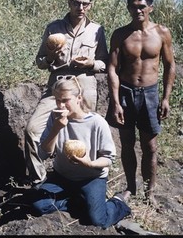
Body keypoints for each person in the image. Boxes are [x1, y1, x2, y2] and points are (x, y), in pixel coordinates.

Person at [24, 0, 108, 186]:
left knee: (86, 133)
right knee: (32, 130)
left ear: (90, 5)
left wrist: (91, 63)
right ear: (69, 2)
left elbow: (104, 63)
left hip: (85, 83)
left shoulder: (97, 30)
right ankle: (39, 180)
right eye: (77, 3)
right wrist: (51, 54)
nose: (81, 8)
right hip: (58, 83)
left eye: (85, 4)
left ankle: (88, 178)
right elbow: (40, 62)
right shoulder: (54, 28)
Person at [106, 0, 176, 206]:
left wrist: (166, 98)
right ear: (128, 8)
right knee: (127, 144)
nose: (138, 10)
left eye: (142, 6)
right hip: (126, 92)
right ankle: (130, 187)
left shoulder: (162, 33)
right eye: (134, 7)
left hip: (150, 94)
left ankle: (150, 192)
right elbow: (112, 69)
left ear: (150, 8)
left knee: (150, 146)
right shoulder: (120, 34)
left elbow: (170, 65)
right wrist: (116, 102)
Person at [32, 77, 131, 228]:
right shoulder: (55, 117)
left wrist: (89, 163)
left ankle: (118, 202)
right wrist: (56, 128)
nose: (61, 105)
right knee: (39, 205)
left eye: (65, 100)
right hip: (62, 177)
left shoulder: (96, 123)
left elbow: (108, 158)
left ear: (79, 98)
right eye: (57, 100)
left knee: (98, 220)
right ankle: (78, 201)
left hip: (91, 178)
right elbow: (44, 153)